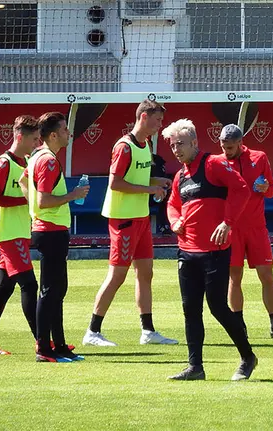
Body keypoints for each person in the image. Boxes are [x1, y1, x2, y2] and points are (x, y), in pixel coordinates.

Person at [164, 119, 257, 381]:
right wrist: (175, 221)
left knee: (217, 307)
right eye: (172, 146)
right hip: (187, 251)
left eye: (180, 144)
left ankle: (247, 356)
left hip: (215, 250)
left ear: (195, 142)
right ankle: (195, 367)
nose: (176, 149)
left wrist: (228, 223)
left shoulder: (213, 164)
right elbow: (172, 205)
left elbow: (241, 189)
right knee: (190, 309)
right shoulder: (181, 176)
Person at [82, 100, 177, 347]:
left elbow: (137, 176)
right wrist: (149, 188)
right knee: (117, 275)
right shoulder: (124, 146)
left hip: (140, 218)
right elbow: (115, 183)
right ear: (144, 117)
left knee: (145, 273)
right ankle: (92, 331)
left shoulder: (145, 145)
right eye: (157, 120)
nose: (160, 125)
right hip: (123, 219)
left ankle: (147, 331)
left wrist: (159, 181)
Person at [21, 112, 88, 362]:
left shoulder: (37, 155)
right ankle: (43, 348)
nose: (68, 134)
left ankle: (58, 345)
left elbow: (23, 181)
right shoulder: (48, 160)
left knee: (58, 289)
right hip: (51, 231)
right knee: (51, 290)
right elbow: (44, 200)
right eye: (64, 130)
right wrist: (73, 195)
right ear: (53, 135)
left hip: (47, 229)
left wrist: (33, 212)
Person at [218, 124, 273, 339]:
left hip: (256, 227)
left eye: (230, 147)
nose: (226, 151)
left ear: (241, 143)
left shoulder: (259, 157)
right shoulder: (218, 162)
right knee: (234, 276)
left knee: (267, 275)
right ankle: (239, 326)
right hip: (231, 228)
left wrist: (265, 188)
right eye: (223, 146)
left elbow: (271, 190)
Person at [0, 115, 41, 355]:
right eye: (33, 139)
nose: (36, 144)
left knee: (4, 289)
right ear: (19, 136)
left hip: (19, 232)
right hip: (8, 233)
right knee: (29, 284)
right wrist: (26, 199)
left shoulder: (25, 162)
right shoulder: (4, 163)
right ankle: (41, 341)